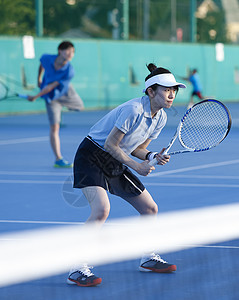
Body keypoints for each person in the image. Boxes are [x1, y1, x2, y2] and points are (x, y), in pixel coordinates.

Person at [67, 64, 186, 287]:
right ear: (151, 91)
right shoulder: (133, 110)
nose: (172, 95)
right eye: (167, 90)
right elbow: (112, 144)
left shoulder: (160, 117)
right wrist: (137, 166)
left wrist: (151, 155)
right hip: (91, 156)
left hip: (116, 158)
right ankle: (76, 267)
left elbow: (137, 148)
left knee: (150, 209)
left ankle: (148, 258)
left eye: (174, 90)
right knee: (101, 210)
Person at [27, 41, 84, 168]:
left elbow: (51, 86)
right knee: (54, 128)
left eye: (73, 52)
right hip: (51, 98)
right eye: (68, 50)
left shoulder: (69, 70)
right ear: (60, 51)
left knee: (80, 106)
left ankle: (66, 106)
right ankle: (58, 159)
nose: (71, 54)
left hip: (65, 93)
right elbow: (42, 65)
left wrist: (35, 97)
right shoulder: (47, 58)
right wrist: (39, 79)